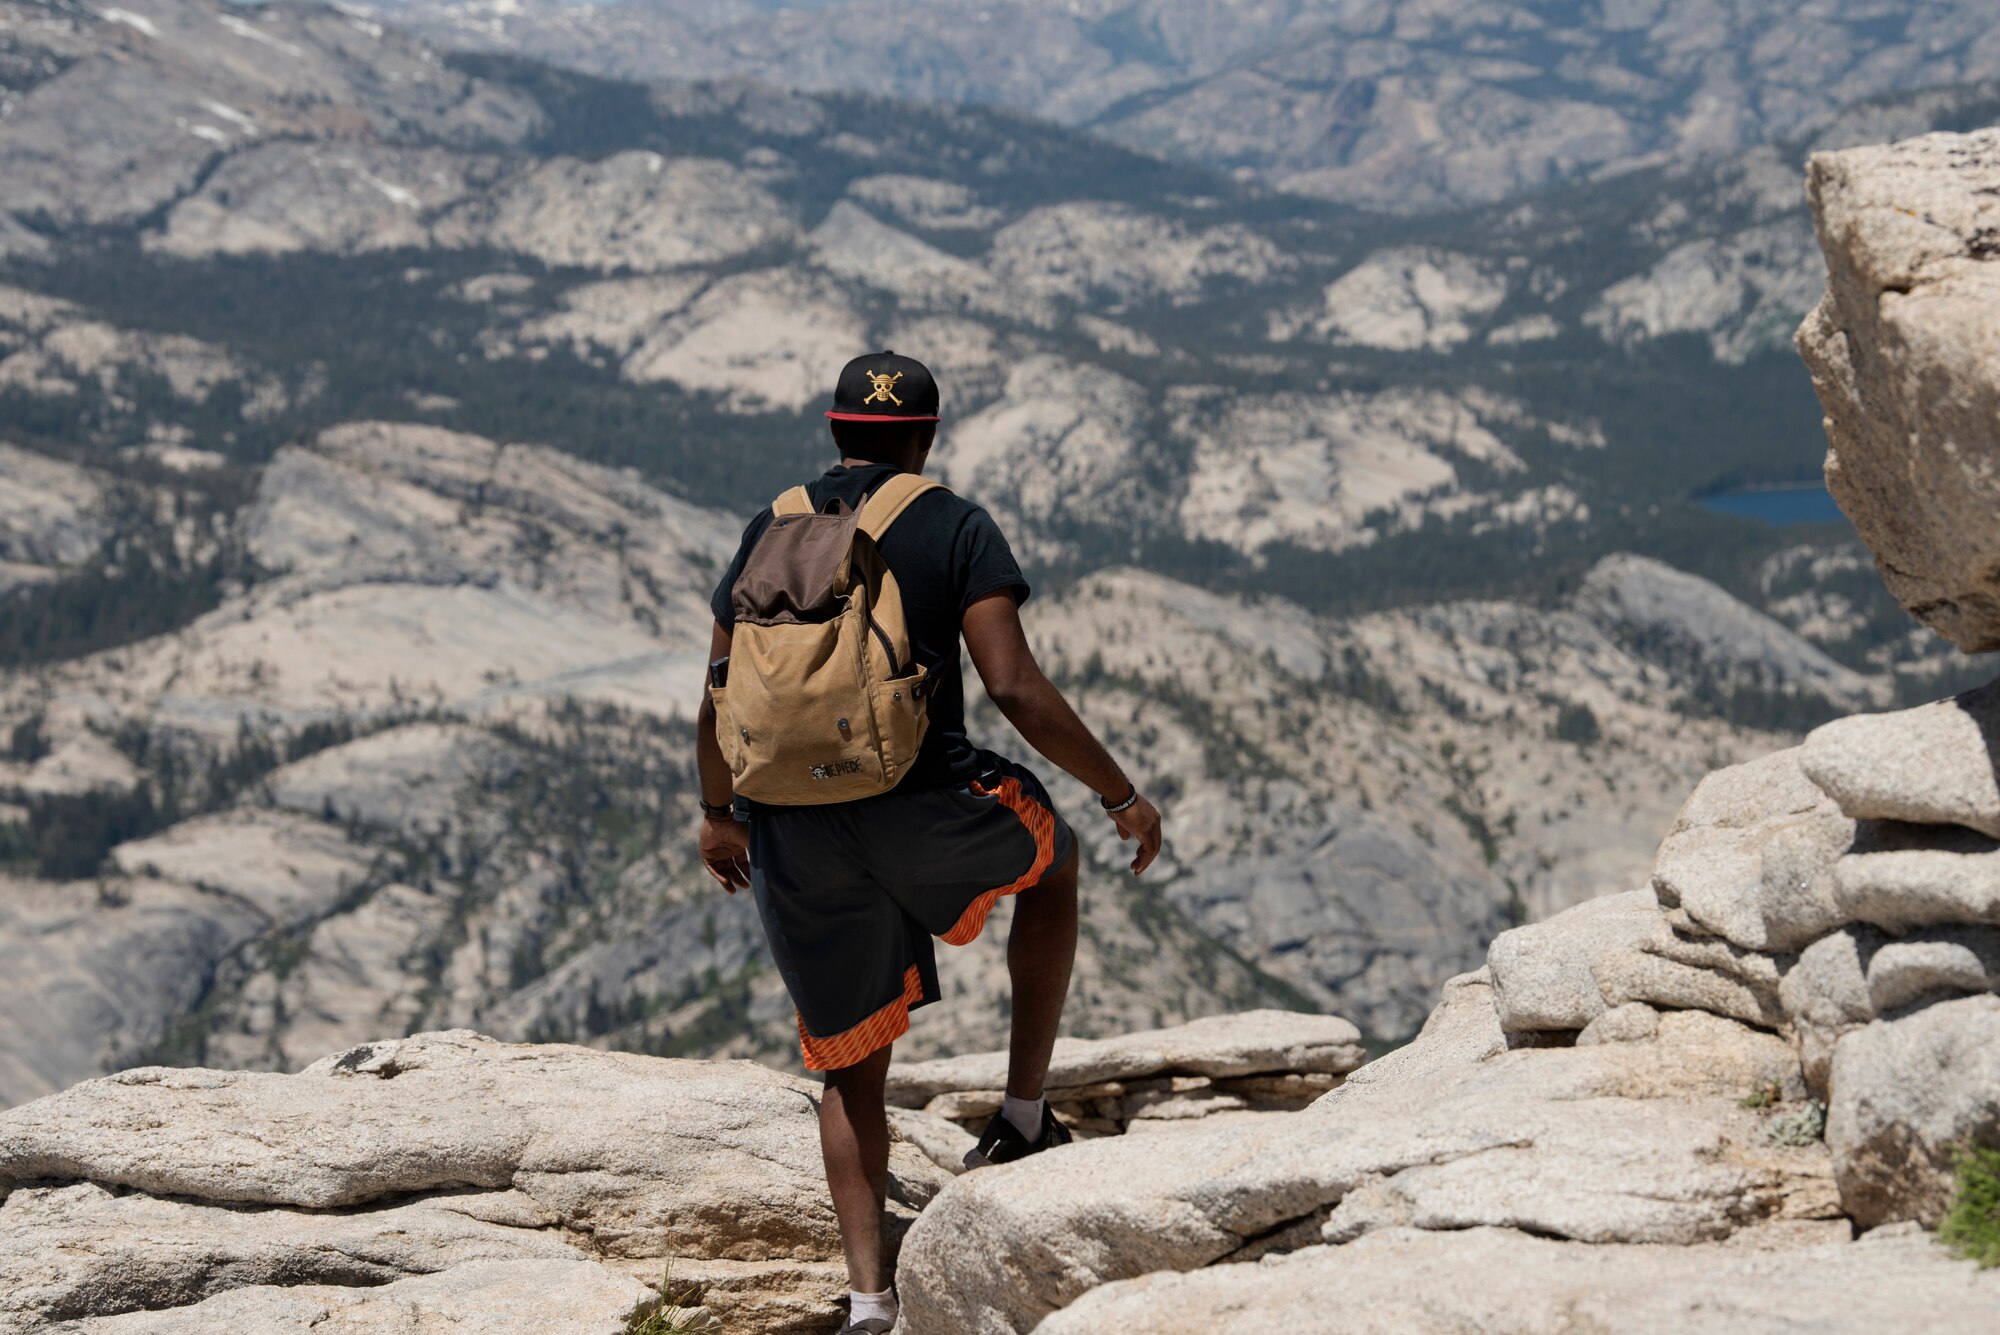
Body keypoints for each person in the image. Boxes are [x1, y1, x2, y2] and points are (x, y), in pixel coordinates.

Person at [694, 350, 1164, 1334]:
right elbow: (1016, 687)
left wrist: (717, 811)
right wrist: (1121, 793)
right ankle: (1024, 1116)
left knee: (846, 1062)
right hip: (926, 805)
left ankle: (869, 1303)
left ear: (833, 431)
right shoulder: (951, 523)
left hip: (791, 829)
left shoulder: (769, 526)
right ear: (925, 435)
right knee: (1057, 859)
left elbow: (719, 686)